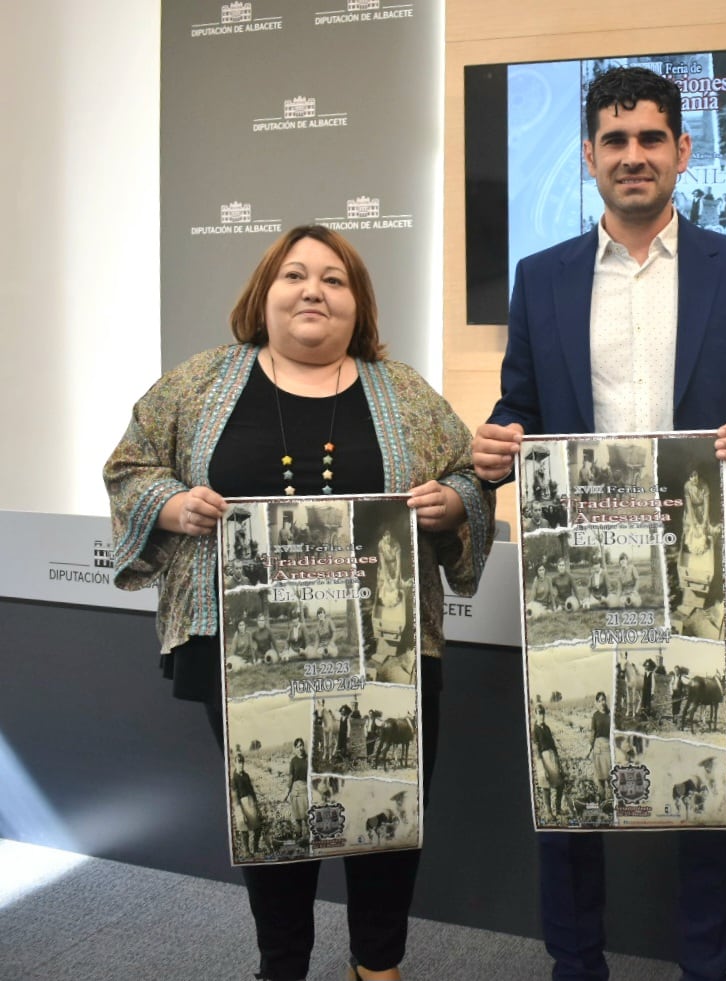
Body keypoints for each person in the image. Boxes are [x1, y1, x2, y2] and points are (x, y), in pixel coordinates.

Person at [471, 65, 726, 981]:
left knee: (705, 788)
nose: (633, 156)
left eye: (651, 138)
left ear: (683, 151)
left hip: (702, 567)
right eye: (614, 141)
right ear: (588, 156)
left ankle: (705, 968)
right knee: (571, 777)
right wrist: (503, 443)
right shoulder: (540, 278)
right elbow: (520, 405)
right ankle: (574, 965)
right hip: (576, 568)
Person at [104, 224, 495, 981]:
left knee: (383, 810)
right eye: (294, 275)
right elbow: (131, 463)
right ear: (264, 294)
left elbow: (470, 478)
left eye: (334, 279)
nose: (313, 289)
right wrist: (173, 504)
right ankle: (280, 964)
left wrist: (453, 503)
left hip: (386, 647)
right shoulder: (200, 383)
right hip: (247, 644)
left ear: (359, 305)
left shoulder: (406, 391)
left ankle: (378, 965)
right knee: (274, 804)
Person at [533, 704, 565, 818]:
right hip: (542, 758)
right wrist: (542, 767)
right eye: (539, 713)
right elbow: (536, 750)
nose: (541, 716)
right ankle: (549, 812)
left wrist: (558, 760)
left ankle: (558, 809)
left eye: (542, 713)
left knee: (560, 784)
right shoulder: (535, 730)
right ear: (535, 714)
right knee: (545, 786)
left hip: (552, 757)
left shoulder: (547, 728)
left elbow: (553, 745)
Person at [232, 753, 263, 857]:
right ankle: (246, 851)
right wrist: (241, 812)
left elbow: (252, 791)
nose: (240, 765)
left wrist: (256, 804)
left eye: (242, 762)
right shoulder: (234, 779)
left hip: (249, 802)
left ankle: (255, 847)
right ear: (235, 763)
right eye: (238, 762)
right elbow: (235, 797)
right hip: (240, 805)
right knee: (244, 828)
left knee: (258, 826)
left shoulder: (246, 776)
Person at [587, 692, 612, 801]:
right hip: (597, 748)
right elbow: (593, 733)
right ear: (596, 703)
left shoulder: (609, 715)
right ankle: (601, 799)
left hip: (607, 747)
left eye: (603, 700)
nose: (602, 702)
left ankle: (611, 800)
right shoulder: (595, 716)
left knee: (610, 775)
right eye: (600, 700)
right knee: (600, 776)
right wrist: (589, 749)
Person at [287, 737, 310, 840]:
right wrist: (286, 793)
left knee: (307, 816)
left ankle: (310, 838)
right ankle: (299, 838)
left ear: (303, 746)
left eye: (301, 745)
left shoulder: (307, 759)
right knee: (298, 818)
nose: (300, 748)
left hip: (305, 789)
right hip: (295, 791)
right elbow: (291, 777)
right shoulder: (293, 761)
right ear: (295, 748)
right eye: (298, 746)